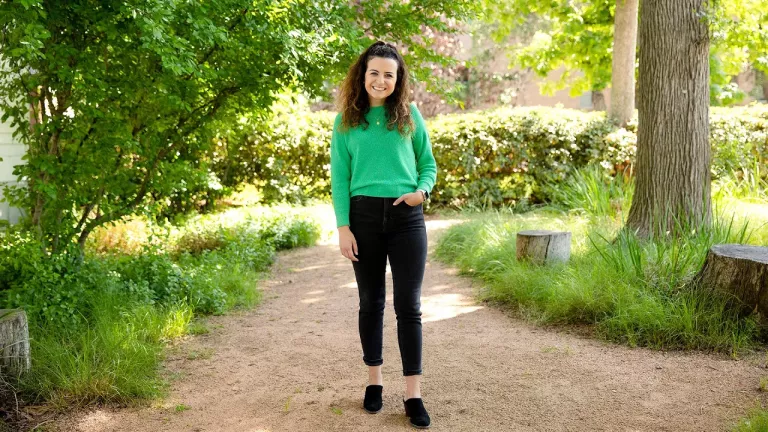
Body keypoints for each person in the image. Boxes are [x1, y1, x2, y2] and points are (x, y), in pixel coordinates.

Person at [330, 41, 437, 429]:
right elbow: (340, 179)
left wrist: (420, 192)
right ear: (362, 75)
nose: (380, 80)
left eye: (388, 74)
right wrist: (344, 227)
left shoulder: (410, 116)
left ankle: (413, 393)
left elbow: (428, 164)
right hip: (363, 219)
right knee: (370, 301)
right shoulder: (346, 121)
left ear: (398, 79)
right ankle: (374, 381)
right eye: (373, 72)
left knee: (408, 306)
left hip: (407, 216)